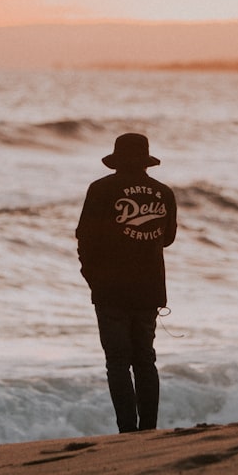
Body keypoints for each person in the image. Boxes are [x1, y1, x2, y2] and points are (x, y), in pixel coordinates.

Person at [76, 133, 177, 432]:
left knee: (118, 362)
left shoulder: (101, 189)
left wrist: (91, 276)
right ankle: (148, 429)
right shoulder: (164, 192)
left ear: (116, 160)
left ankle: (127, 431)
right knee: (145, 360)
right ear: (146, 161)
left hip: (110, 289)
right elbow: (168, 238)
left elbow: (84, 236)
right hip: (149, 289)